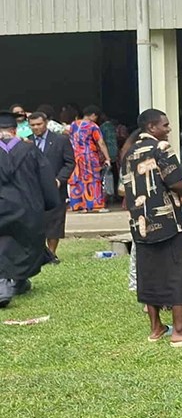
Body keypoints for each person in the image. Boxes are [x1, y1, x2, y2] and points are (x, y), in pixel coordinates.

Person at [122, 109, 182, 346]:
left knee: (148, 274)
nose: (168, 129)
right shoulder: (160, 148)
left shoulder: (129, 152)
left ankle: (156, 328)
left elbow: (127, 189)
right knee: (177, 271)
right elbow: (174, 181)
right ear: (152, 127)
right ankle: (180, 331)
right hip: (167, 222)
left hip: (140, 224)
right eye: (165, 125)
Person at [0, 109, 60, 305]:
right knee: (24, 243)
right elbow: (46, 181)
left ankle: (7, 283)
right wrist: (49, 203)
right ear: (15, 130)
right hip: (27, 208)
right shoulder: (30, 150)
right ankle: (13, 282)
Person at [27, 112, 75, 260]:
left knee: (55, 221)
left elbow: (70, 162)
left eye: (39, 124)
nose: (36, 128)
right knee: (35, 221)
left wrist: (60, 179)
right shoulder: (26, 142)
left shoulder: (61, 140)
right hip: (32, 189)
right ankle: (39, 253)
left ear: (46, 123)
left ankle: (52, 253)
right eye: (33, 125)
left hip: (55, 188)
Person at [68, 105, 111, 212]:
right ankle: (95, 205)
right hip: (89, 157)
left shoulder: (74, 124)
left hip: (76, 156)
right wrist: (107, 158)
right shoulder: (93, 126)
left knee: (78, 179)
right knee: (93, 179)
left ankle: (79, 205)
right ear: (93, 115)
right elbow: (101, 142)